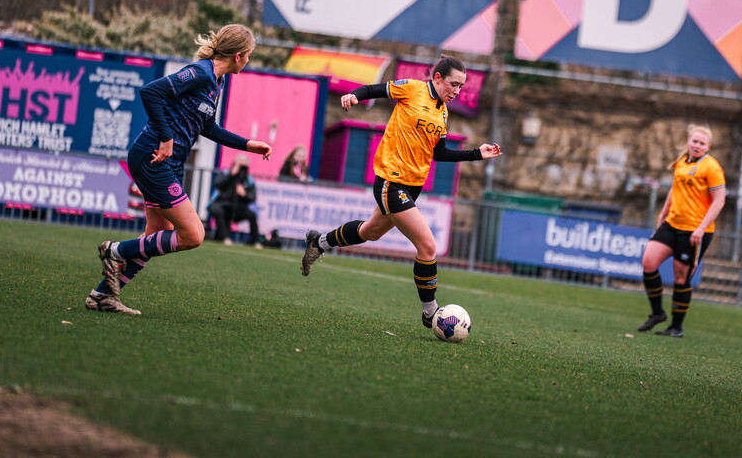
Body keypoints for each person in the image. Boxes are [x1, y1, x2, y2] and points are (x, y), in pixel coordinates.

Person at [300, 55, 502, 329]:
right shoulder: (413, 88)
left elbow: (439, 153)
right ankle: (430, 312)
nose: (456, 91)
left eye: (461, 87)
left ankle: (319, 242)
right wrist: (354, 96)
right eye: (453, 84)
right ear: (438, 78)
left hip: (412, 186)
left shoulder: (442, 111)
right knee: (428, 246)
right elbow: (375, 89)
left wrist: (477, 154)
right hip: (390, 181)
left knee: (370, 232)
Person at [85, 24, 273, 314]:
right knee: (192, 235)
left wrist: (248, 145)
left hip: (167, 162)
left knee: (157, 233)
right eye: (248, 56)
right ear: (238, 56)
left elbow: (208, 126)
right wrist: (166, 137)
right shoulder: (201, 73)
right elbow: (150, 92)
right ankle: (115, 251)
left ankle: (103, 295)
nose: (248, 61)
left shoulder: (217, 82)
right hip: (153, 157)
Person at [636, 124, 726, 338]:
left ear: (708, 146)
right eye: (694, 141)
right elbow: (675, 190)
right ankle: (657, 313)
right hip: (672, 223)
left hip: (694, 230)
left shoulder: (712, 168)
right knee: (649, 262)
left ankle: (676, 327)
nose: (697, 145)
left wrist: (701, 229)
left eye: (702, 143)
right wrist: (662, 214)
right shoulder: (681, 163)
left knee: (680, 278)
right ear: (688, 141)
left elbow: (719, 202)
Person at [209, 154, 260, 246]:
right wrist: (231, 175)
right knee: (217, 210)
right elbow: (218, 185)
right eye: (239, 165)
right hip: (223, 205)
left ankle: (255, 241)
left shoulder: (248, 180)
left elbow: (252, 198)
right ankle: (225, 238)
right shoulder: (225, 173)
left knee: (251, 215)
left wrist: (244, 194)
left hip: (238, 208)